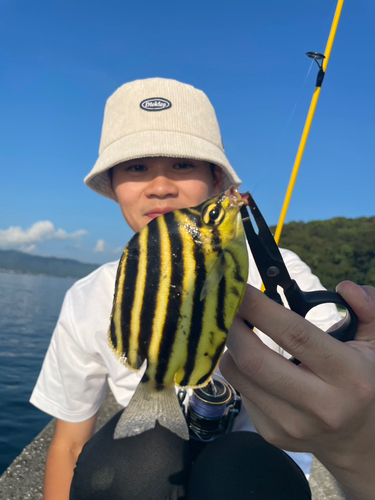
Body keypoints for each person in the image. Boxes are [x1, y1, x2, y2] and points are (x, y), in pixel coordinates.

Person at [28, 77, 369, 499]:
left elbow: (342, 355)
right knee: (131, 459)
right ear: (113, 184)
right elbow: (69, 442)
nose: (160, 185)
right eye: (137, 167)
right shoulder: (86, 297)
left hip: (254, 466)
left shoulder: (279, 269)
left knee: (245, 469)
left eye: (183, 165)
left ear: (216, 181)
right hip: (148, 457)